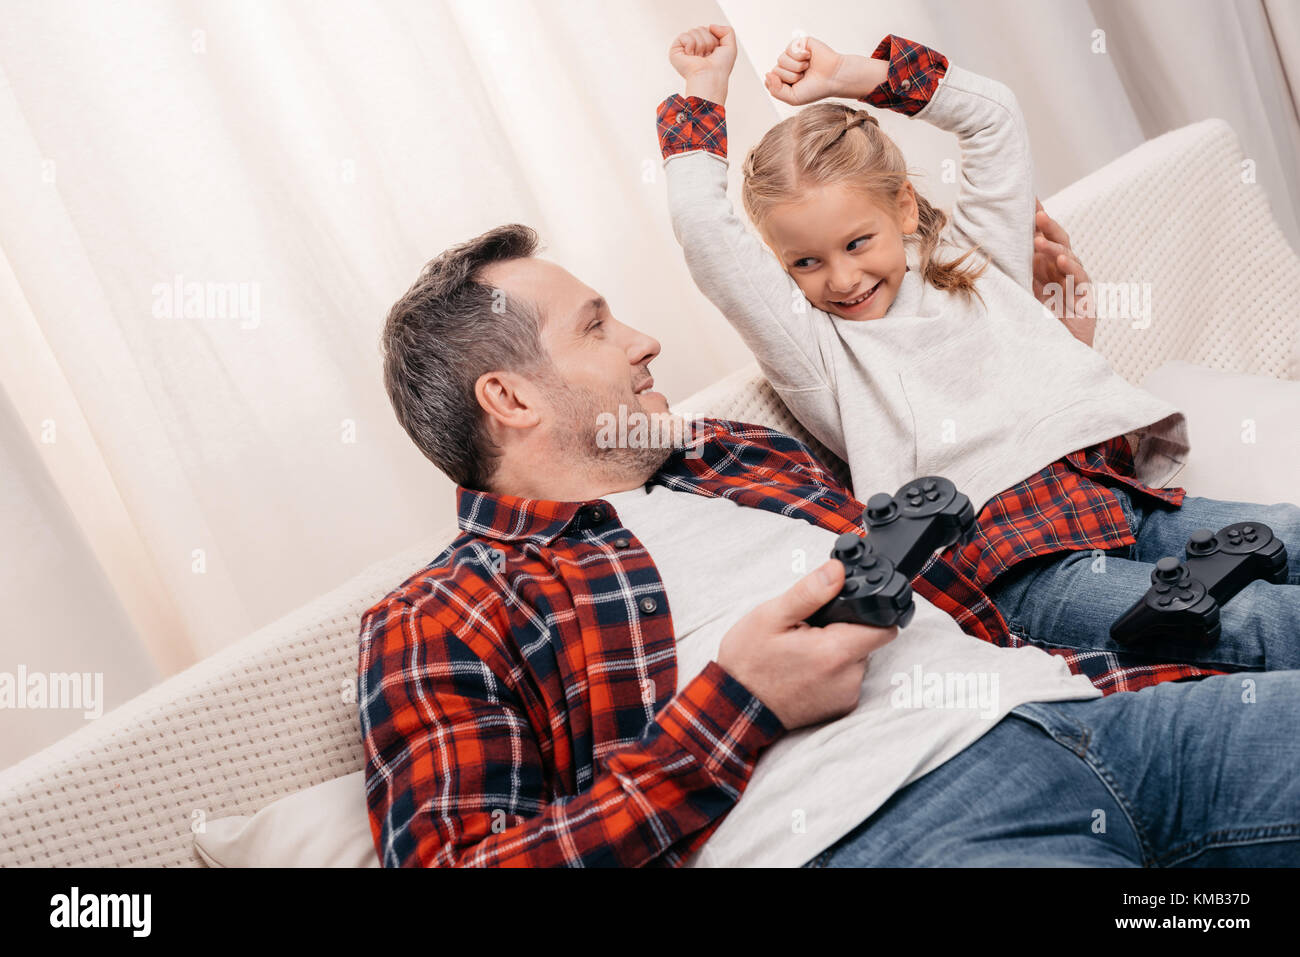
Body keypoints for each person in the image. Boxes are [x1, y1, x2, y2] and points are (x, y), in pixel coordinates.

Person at [358, 223, 1300, 867]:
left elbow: (966, 578)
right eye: (597, 327)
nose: (645, 342)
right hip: (896, 827)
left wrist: (1054, 366)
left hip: (1099, 722)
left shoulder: (736, 456)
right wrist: (742, 704)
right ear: (511, 398)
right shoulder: (441, 613)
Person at [659, 24, 1300, 680]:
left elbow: (994, 118)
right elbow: (706, 231)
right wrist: (703, 87)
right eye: (805, 261)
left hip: (1115, 498)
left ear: (903, 206)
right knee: (1254, 622)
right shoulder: (817, 348)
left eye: (856, 243)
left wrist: (855, 76)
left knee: (1288, 533)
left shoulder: (976, 259)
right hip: (1013, 561)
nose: (842, 278)